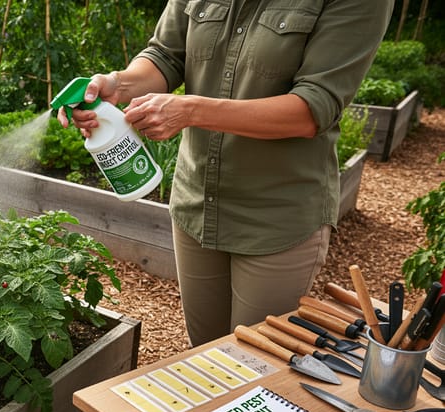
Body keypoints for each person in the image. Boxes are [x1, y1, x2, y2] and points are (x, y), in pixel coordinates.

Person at [59, 0, 395, 349]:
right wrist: (119, 84)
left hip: (274, 218)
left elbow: (313, 108)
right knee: (204, 353)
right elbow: (166, 55)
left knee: (254, 363)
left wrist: (191, 110)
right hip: (197, 202)